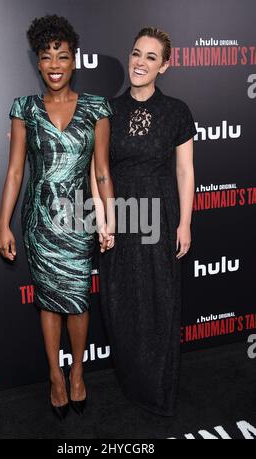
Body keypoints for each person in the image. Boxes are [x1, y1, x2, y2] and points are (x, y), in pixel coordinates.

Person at [0, 14, 115, 420]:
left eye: (62, 56)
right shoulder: (24, 108)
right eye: (46, 57)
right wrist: (3, 223)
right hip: (40, 221)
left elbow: (100, 171)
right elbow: (15, 171)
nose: (54, 65)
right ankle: (55, 377)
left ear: (74, 59)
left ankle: (78, 372)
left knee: (78, 302)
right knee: (49, 303)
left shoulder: (97, 107)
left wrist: (107, 218)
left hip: (80, 217)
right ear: (38, 61)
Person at [99, 27, 197, 416]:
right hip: (121, 213)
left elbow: (186, 171)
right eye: (136, 53)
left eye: (151, 57)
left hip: (160, 213)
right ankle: (132, 381)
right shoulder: (107, 109)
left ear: (165, 66)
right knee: (122, 302)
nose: (140, 62)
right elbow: (99, 168)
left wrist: (185, 223)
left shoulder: (177, 111)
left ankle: (160, 388)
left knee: (161, 301)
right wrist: (103, 219)